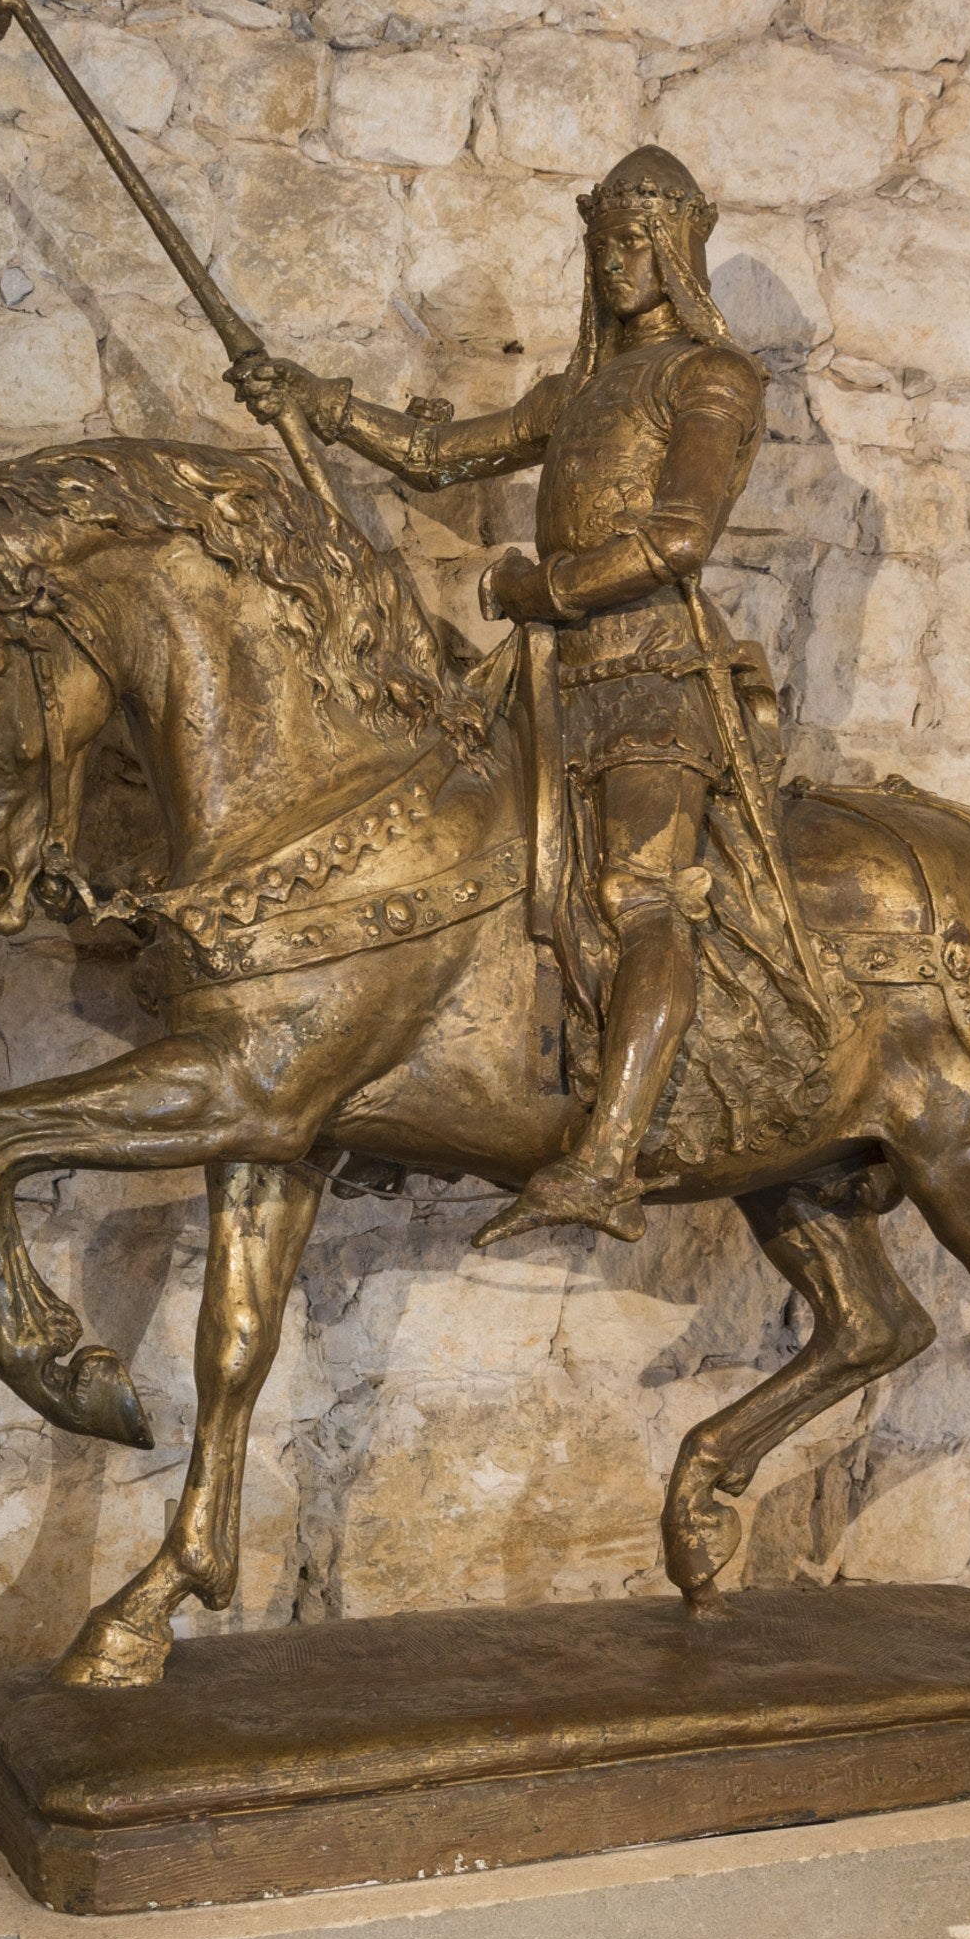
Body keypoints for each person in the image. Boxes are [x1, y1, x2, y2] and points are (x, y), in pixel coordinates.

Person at [228, 144, 768, 1245]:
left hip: (656, 677)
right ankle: (399, 1105)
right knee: (448, 859)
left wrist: (545, 583)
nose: (615, 266)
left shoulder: (708, 379)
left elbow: (677, 535)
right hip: (548, 676)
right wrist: (320, 406)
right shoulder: (578, 390)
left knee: (641, 897)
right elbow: (437, 455)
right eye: (602, 245)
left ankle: (610, 1158)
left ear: (674, 251)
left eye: (634, 245)